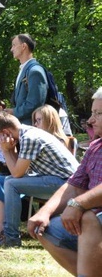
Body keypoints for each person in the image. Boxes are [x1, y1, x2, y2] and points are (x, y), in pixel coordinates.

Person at [28, 88, 102, 276]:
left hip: (92, 217)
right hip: (92, 216)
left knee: (87, 219)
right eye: (92, 113)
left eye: (98, 114)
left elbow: (77, 197)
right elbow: (74, 185)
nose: (91, 120)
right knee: (43, 228)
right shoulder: (95, 147)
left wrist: (78, 204)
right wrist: (44, 212)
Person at [0, 113, 79, 247]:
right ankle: (7, 234)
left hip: (66, 184)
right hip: (57, 179)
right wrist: (11, 149)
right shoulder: (26, 134)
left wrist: (6, 151)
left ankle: (10, 237)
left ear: (6, 132)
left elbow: (17, 173)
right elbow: (18, 170)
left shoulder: (30, 138)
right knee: (9, 180)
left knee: (11, 183)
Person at [9, 34, 49, 125]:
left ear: (23, 46)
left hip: (32, 127)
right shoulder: (25, 70)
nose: (11, 49)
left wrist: (13, 112)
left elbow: (35, 104)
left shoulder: (35, 71)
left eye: (14, 45)